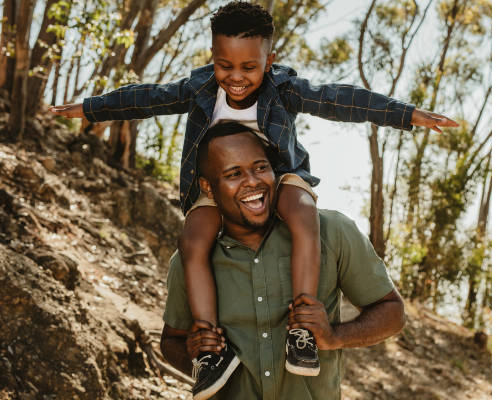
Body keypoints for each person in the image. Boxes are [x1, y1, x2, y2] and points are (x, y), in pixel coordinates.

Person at [49, 1, 457, 396]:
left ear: (269, 58)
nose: (237, 77)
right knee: (192, 241)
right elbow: (147, 97)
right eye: (225, 65)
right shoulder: (199, 89)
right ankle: (212, 354)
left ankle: (301, 330)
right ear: (213, 57)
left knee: (303, 214)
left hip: (278, 178)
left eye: (250, 66)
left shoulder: (285, 89)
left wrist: (405, 114)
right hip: (220, 186)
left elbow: (340, 99)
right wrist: (92, 108)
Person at [160, 122, 406, 400]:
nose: (253, 181)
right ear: (208, 187)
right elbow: (170, 341)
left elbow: (392, 313)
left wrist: (334, 336)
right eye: (234, 174)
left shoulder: (332, 232)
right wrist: (193, 355)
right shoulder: (192, 261)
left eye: (261, 167)